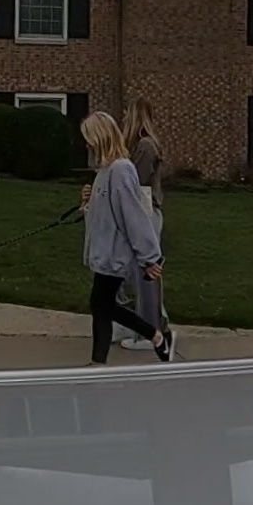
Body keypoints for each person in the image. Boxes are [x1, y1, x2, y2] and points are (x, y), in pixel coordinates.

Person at [81, 108, 174, 365]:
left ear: (100, 137)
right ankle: (153, 337)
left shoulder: (121, 170)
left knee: (101, 305)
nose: (86, 144)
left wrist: (150, 258)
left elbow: (134, 216)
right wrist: (87, 203)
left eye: (89, 138)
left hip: (115, 253)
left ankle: (150, 337)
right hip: (104, 252)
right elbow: (102, 216)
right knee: (102, 305)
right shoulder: (104, 171)